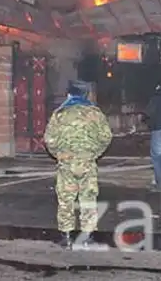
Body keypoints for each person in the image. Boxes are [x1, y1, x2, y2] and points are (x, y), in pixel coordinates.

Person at [44, 80, 113, 249]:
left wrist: (59, 155)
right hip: (87, 162)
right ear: (86, 95)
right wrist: (94, 154)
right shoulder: (95, 113)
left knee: (66, 199)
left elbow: (49, 139)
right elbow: (106, 137)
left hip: (66, 163)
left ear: (69, 94)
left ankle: (66, 237)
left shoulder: (60, 114)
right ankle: (87, 237)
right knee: (88, 198)